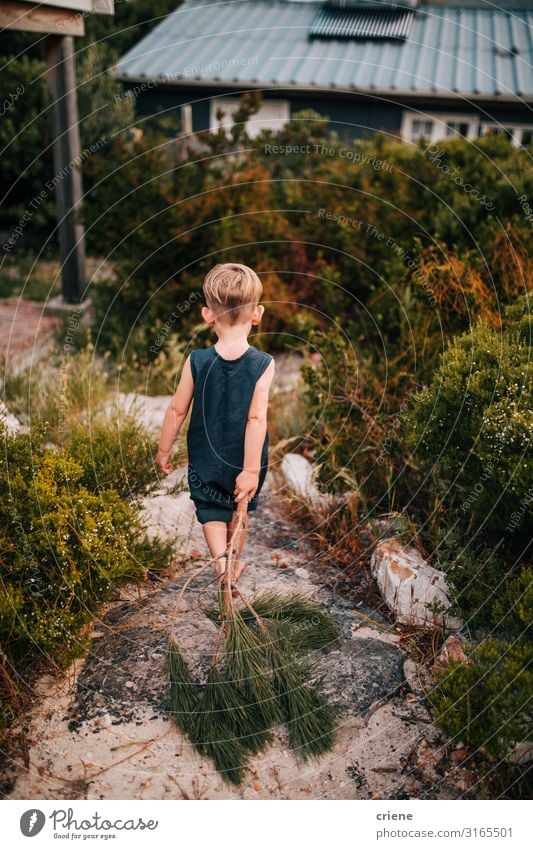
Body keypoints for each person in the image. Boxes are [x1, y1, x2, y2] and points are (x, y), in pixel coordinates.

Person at [156, 262, 275, 590]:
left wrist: (163, 449)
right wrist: (250, 470)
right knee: (240, 506)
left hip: (205, 455)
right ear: (257, 314)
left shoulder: (196, 360)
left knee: (210, 509)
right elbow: (256, 418)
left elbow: (176, 410)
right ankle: (233, 563)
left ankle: (222, 569)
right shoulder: (263, 364)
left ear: (208, 315)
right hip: (244, 456)